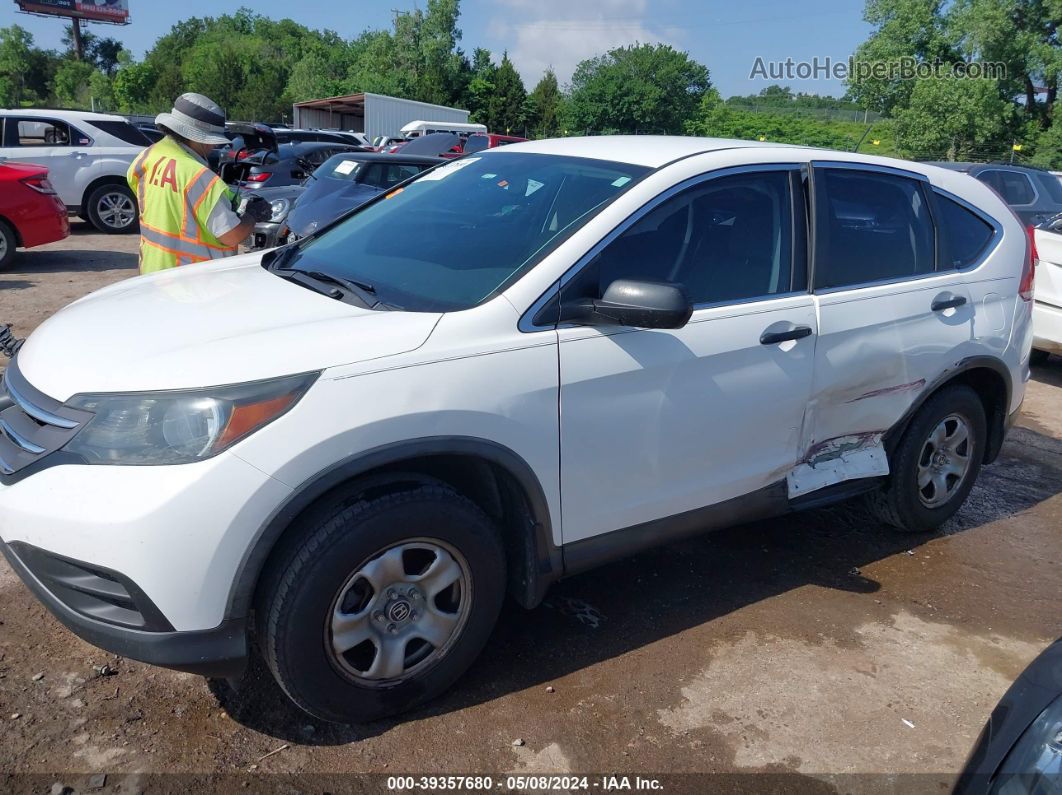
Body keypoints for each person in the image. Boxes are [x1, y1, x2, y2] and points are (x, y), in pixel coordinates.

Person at [127, 93, 271, 273]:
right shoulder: (199, 176)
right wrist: (252, 216)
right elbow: (232, 236)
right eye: (210, 141)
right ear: (196, 137)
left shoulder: (147, 156)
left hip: (152, 271)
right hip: (192, 281)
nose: (212, 147)